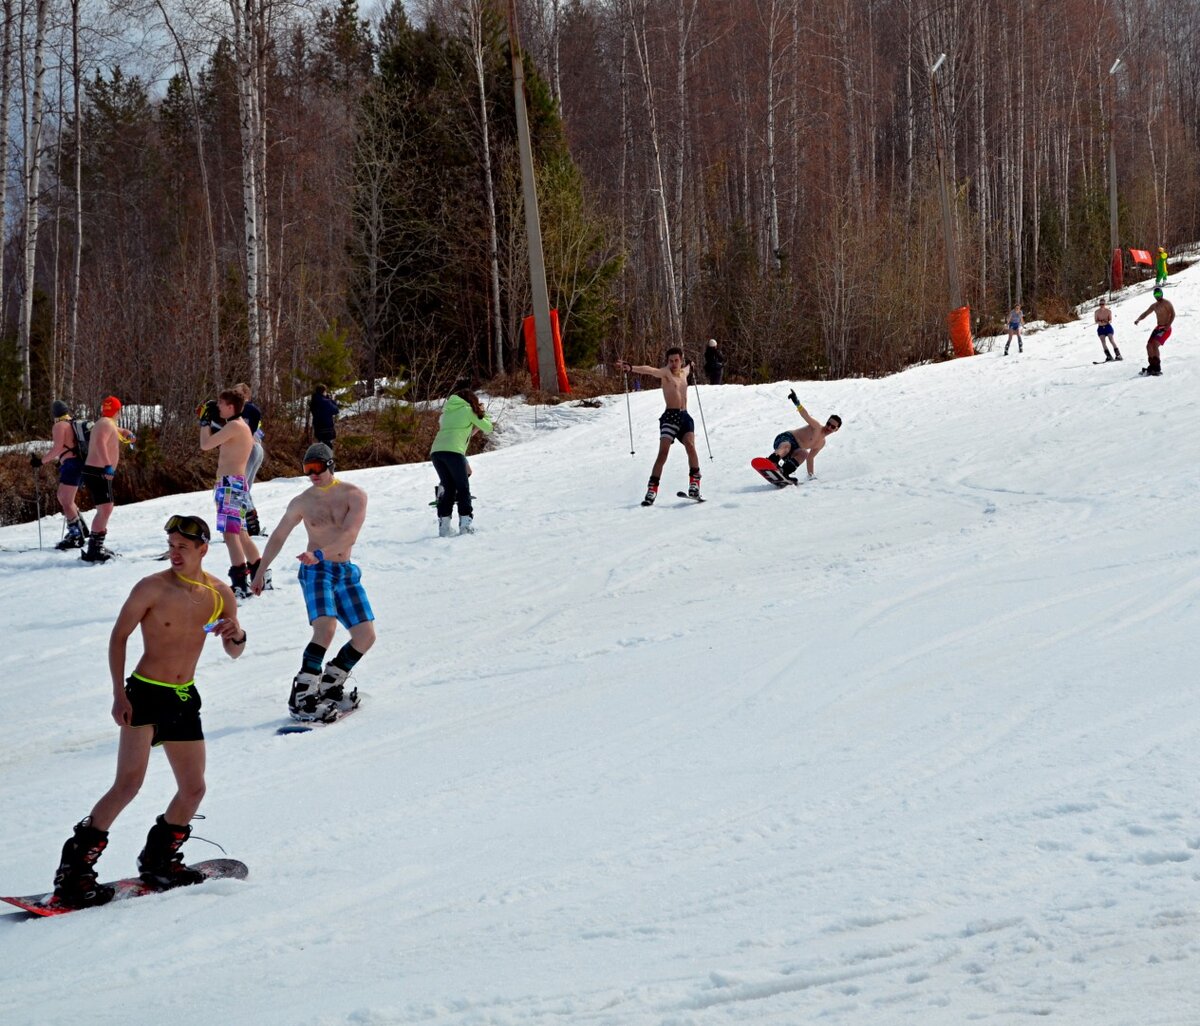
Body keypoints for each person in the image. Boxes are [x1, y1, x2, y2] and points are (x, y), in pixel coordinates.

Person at [48, 514, 245, 909]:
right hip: (145, 693)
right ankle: (74, 875)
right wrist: (119, 694)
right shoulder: (151, 588)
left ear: (203, 549)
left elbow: (233, 649)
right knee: (128, 785)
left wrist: (236, 632)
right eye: (171, 546)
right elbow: (118, 637)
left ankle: (160, 862)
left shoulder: (220, 593)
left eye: (182, 548)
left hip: (184, 697)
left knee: (194, 788)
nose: (173, 553)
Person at [250, 443, 376, 722]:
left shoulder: (354, 495)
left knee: (365, 636)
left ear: (331, 465)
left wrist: (320, 552)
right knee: (326, 628)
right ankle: (303, 694)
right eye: (308, 469)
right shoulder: (302, 501)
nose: (313, 474)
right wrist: (260, 570)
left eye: (317, 468)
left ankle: (330, 684)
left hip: (344, 570)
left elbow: (349, 534)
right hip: (316, 571)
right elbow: (280, 535)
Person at [615, 347, 701, 504]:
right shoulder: (665, 373)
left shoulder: (684, 372)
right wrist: (631, 368)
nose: (673, 363)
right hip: (670, 417)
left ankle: (694, 485)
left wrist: (691, 365)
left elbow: (689, 367)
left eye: (676, 360)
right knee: (663, 453)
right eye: (670, 361)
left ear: (681, 360)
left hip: (685, 417)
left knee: (690, 446)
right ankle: (652, 490)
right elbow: (650, 370)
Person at [199, 390, 263, 598]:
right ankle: (259, 574)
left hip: (230, 485)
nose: (218, 407)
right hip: (234, 484)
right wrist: (210, 420)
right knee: (241, 533)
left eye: (221, 403)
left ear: (231, 407)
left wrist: (203, 423)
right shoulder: (237, 426)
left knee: (230, 534)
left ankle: (239, 582)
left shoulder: (235, 426)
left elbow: (206, 444)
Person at [430, 381, 493, 536]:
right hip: (454, 452)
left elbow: (464, 431)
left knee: (449, 488)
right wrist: (482, 413)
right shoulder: (467, 410)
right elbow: (488, 427)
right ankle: (465, 525)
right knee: (463, 488)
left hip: (437, 452)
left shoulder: (446, 413)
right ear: (471, 400)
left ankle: (444, 527)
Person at [31, 399, 90, 550]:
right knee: (63, 497)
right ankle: (81, 528)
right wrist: (61, 461)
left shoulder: (59, 426)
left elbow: (57, 448)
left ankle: (76, 536)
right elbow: (70, 447)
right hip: (78, 463)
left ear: (55, 414)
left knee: (66, 499)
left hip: (71, 466)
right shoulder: (73, 423)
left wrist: (41, 461)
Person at [79, 395, 123, 563]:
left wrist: (126, 433)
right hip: (98, 471)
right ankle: (95, 549)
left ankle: (96, 546)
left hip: (97, 471)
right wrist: (107, 465)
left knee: (106, 508)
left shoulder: (105, 423)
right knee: (105, 509)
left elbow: (114, 433)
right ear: (117, 411)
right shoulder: (105, 424)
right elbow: (99, 443)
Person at [765, 390, 842, 481]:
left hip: (794, 450)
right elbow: (806, 416)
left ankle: (784, 472)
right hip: (786, 438)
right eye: (828, 423)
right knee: (787, 446)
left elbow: (810, 458)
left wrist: (811, 476)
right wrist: (797, 403)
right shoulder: (816, 427)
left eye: (832, 426)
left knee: (804, 453)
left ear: (836, 429)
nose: (829, 427)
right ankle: (771, 461)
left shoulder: (821, 443)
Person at [234, 382, 266, 536]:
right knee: (243, 488)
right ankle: (249, 521)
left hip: (252, 448)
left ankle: (241, 523)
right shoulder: (235, 410)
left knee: (239, 487)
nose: (235, 396)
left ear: (246, 395)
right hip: (249, 449)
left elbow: (254, 415)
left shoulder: (248, 409)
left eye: (239, 393)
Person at [1134, 287, 1175, 377]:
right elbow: (1145, 313)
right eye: (1155, 295)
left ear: (1162, 294)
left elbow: (1173, 314)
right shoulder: (1154, 306)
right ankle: (1152, 365)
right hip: (1158, 328)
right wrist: (1138, 319)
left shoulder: (1166, 303)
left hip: (1166, 329)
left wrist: (1168, 325)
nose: (1157, 296)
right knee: (1149, 346)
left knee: (1155, 344)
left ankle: (1157, 367)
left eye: (1159, 294)